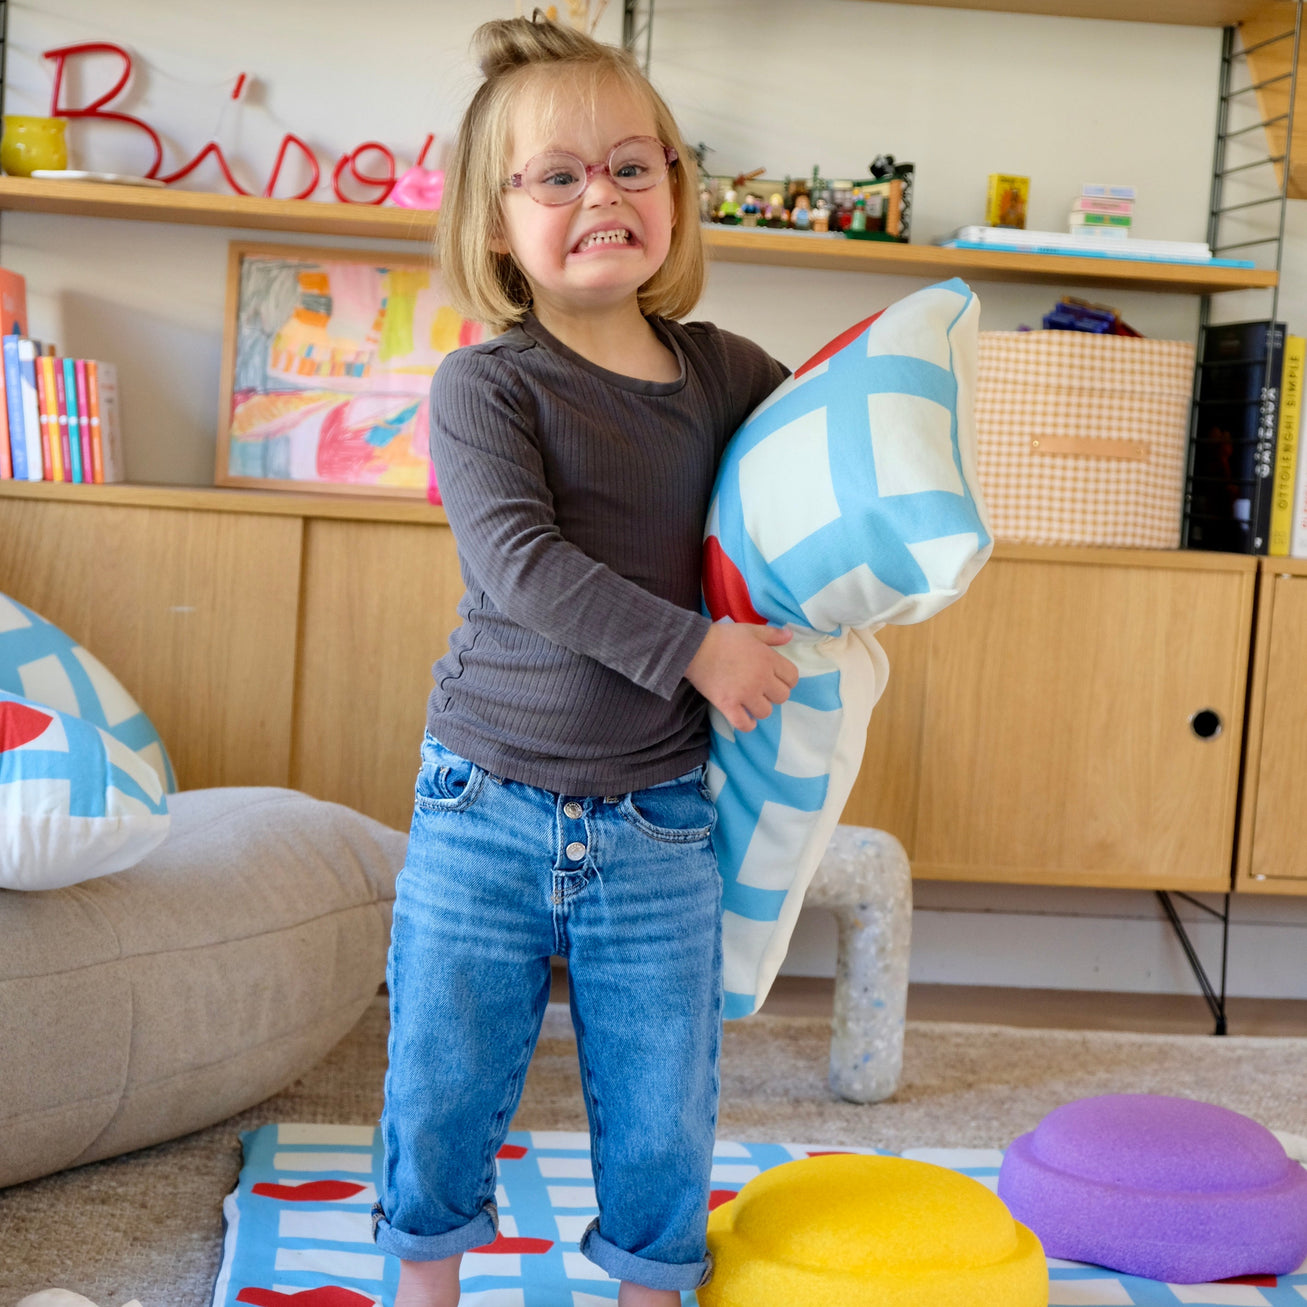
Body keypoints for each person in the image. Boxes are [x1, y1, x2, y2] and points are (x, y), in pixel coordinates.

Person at [373, 15, 797, 1307]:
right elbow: (521, 564)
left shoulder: (726, 376)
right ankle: (425, 1287)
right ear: (498, 224)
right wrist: (698, 649)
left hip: (657, 815)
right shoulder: (486, 387)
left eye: (630, 166)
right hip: (483, 796)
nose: (601, 195)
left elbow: (820, 449)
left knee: (665, 1095)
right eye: (557, 176)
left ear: (675, 187)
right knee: (441, 1078)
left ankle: (650, 1291)